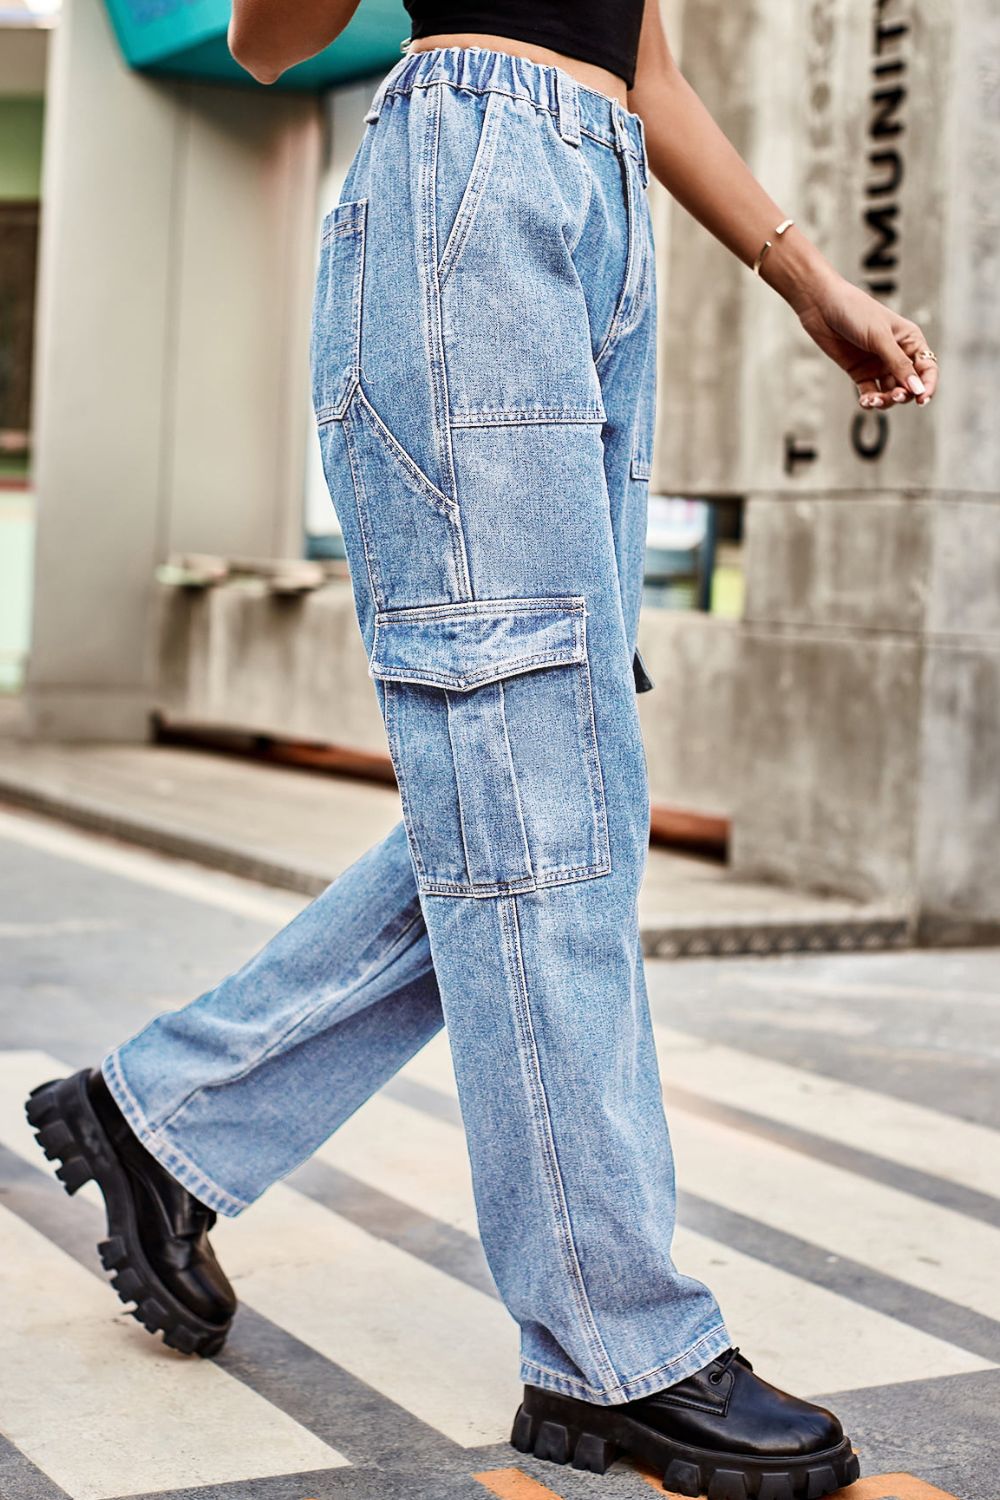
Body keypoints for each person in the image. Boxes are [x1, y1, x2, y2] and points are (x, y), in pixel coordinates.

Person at [26, 1, 938, 1494]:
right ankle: (611, 1345)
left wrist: (807, 280)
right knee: (536, 784)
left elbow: (644, 64)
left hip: (599, 201)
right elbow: (264, 39)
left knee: (552, 791)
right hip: (470, 183)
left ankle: (161, 1118)